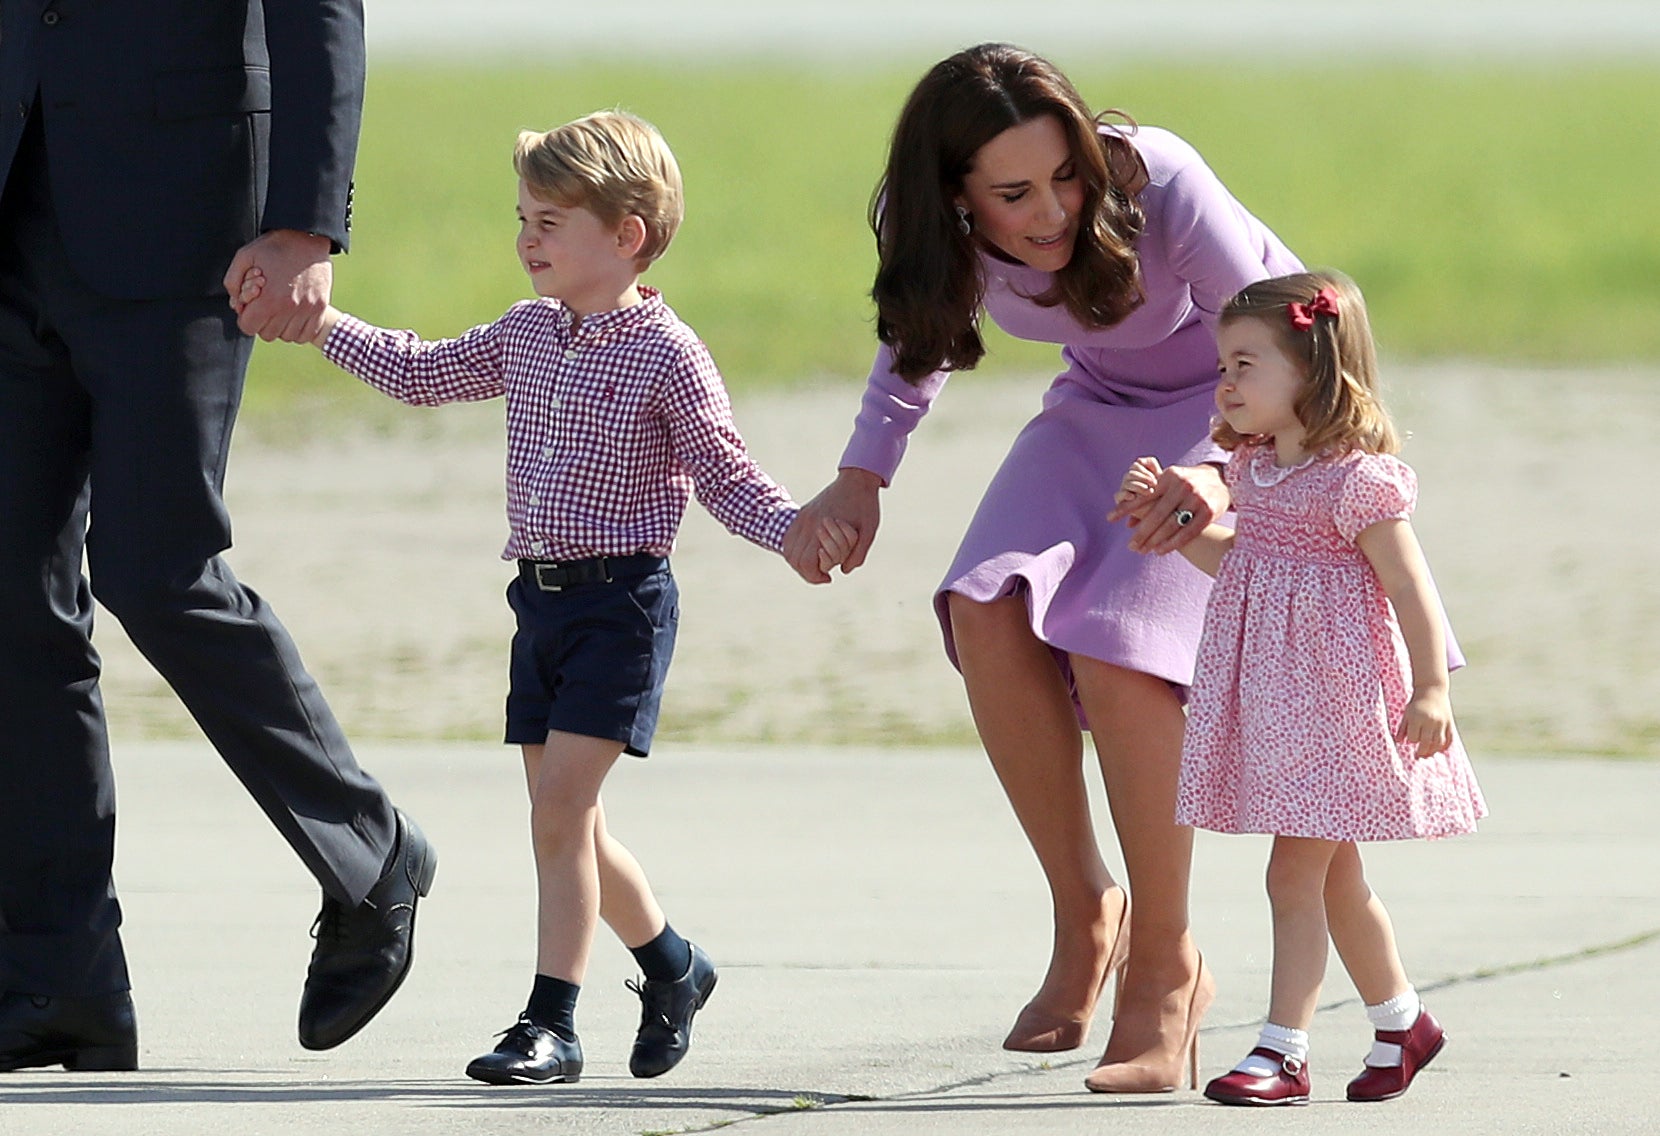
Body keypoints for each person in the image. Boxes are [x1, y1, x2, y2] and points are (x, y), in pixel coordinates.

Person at [239, 109, 834, 1085]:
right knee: (577, 825)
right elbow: (419, 372)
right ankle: (675, 965)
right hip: (541, 604)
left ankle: (549, 1023)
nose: (524, 240)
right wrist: (321, 321)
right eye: (522, 217)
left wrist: (796, 532)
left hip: (622, 605)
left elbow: (724, 477)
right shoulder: (525, 334)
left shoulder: (668, 354)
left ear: (626, 235)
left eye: (549, 222)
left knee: (559, 816)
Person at [782, 43, 1301, 1092]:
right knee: (980, 603)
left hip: (1252, 416)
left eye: (1064, 174)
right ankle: (1085, 910)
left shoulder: (1159, 181)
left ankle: (1166, 963)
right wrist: (858, 479)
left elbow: (1280, 346)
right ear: (956, 196)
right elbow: (913, 349)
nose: (1054, 209)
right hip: (1100, 412)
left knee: (1117, 652)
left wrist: (1215, 472)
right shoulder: (939, 236)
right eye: (1013, 193)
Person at [0, 0, 435, 1072]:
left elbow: (318, 11)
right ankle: (63, 979)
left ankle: (370, 850)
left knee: (157, 568)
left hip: (180, 220)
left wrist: (305, 223)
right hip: (14, 208)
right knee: (11, 594)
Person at [1114, 270, 1487, 1106]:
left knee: (1293, 877)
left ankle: (1282, 1051)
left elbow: (1410, 590)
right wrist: (1175, 527)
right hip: (1277, 703)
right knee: (1336, 880)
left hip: (1337, 704)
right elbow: (1243, 567)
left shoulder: (1358, 480)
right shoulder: (1255, 472)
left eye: (1247, 364)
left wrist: (1431, 689)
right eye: (1223, 366)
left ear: (1313, 371)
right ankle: (1403, 1023)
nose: (1227, 383)